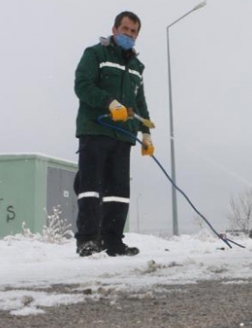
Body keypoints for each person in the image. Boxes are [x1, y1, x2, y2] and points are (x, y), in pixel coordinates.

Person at [73, 11, 154, 257]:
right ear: (114, 29)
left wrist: (146, 132)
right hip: (96, 130)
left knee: (118, 192)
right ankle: (87, 240)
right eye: (125, 29)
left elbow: (139, 102)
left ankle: (113, 241)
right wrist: (109, 102)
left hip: (123, 136)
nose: (129, 34)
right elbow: (82, 85)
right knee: (90, 187)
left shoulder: (137, 67)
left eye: (133, 31)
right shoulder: (95, 54)